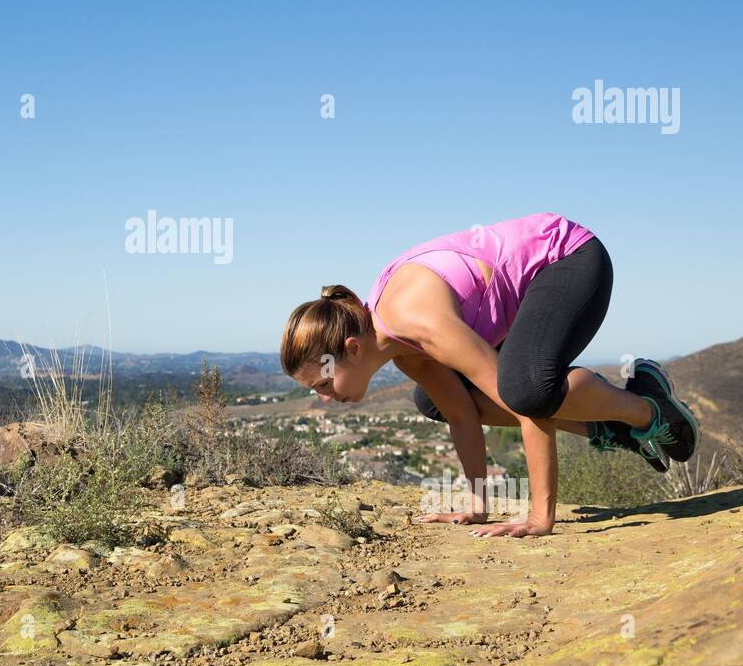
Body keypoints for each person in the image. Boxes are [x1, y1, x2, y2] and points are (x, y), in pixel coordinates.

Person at [279, 212, 698, 538]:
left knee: (526, 391)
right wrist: (477, 507)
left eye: (323, 383)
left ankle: (645, 409)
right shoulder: (401, 348)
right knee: (434, 402)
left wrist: (539, 517)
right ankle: (613, 428)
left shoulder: (418, 323)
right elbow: (461, 414)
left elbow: (524, 408)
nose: (325, 398)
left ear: (351, 350)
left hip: (568, 259)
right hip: (530, 287)